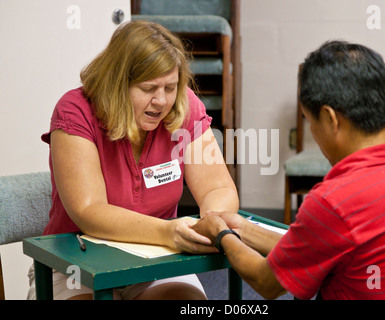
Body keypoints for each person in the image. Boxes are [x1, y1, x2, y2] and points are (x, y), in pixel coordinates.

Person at [192, 40, 385, 300]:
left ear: (330, 119)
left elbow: (265, 281)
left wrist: (220, 233)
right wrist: (244, 229)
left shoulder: (336, 200)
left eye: (310, 121)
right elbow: (317, 247)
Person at [27, 20, 239, 300]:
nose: (162, 101)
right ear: (117, 84)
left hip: (156, 259)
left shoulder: (183, 106)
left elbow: (218, 189)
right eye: (149, 88)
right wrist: (167, 232)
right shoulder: (75, 111)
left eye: (170, 87)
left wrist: (209, 224)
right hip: (75, 265)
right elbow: (90, 211)